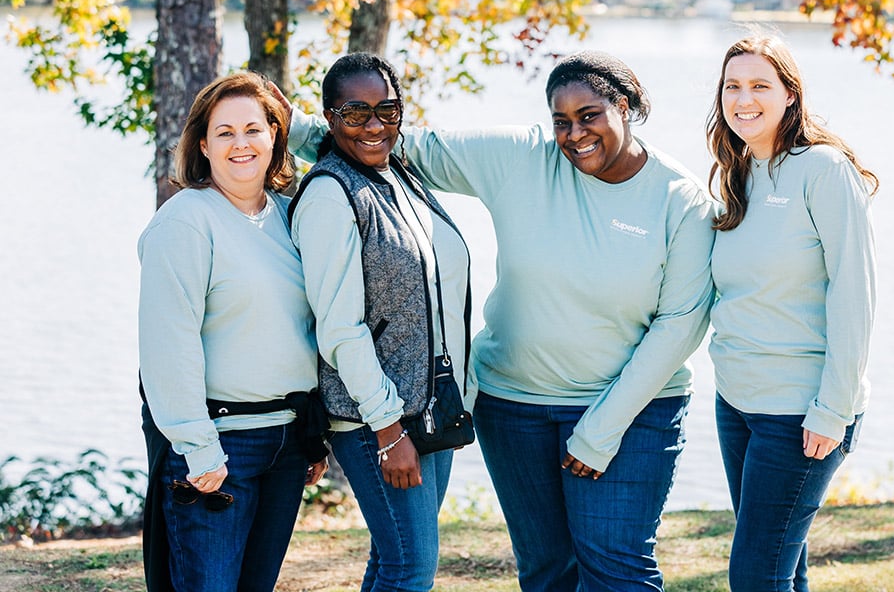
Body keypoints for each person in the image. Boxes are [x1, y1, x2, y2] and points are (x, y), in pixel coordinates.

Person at [289, 49, 715, 591]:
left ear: (625, 107)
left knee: (618, 571)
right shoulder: (521, 157)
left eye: (590, 116)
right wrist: (266, 129)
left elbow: (680, 325)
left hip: (632, 413)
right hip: (514, 409)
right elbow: (385, 139)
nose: (575, 134)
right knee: (544, 571)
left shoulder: (682, 201)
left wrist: (600, 432)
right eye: (561, 121)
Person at [287, 52, 472, 591]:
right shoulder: (329, 193)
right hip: (379, 422)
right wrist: (389, 433)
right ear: (329, 117)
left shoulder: (401, 176)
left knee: (393, 562)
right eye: (355, 113)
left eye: (387, 111)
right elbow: (341, 329)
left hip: (431, 408)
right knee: (411, 571)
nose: (374, 125)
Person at [137, 71, 328, 592]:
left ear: (275, 136)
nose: (241, 143)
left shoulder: (292, 216)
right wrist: (198, 448)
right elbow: (166, 345)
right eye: (224, 132)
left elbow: (306, 332)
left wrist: (311, 439)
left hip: (286, 442)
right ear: (203, 144)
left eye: (253, 129)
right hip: (218, 447)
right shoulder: (185, 222)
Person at [705, 32, 877, 592]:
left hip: (801, 412)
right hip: (737, 404)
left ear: (790, 96)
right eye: (732, 86)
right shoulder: (740, 174)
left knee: (755, 575)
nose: (743, 98)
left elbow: (855, 293)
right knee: (781, 564)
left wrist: (833, 409)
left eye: (760, 84)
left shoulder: (824, 170)